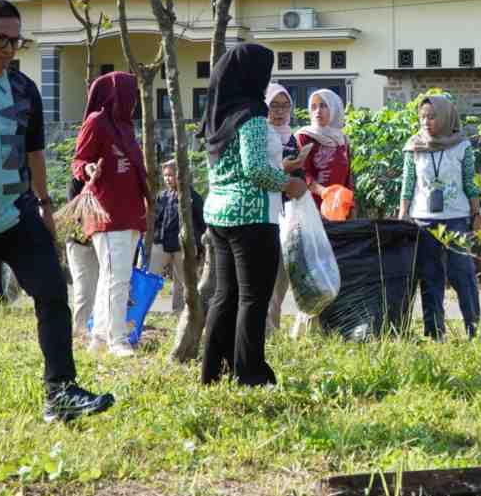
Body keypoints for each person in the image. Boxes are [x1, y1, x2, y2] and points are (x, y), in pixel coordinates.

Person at [0, 0, 113, 423]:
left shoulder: (23, 89)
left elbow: (34, 152)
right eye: (2, 40)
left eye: (18, 41)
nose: (11, 49)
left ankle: (61, 392)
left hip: (17, 214)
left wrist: (46, 205)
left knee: (53, 294)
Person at [198, 43, 307, 386]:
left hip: (219, 215)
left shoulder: (218, 116)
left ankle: (213, 371)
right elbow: (257, 171)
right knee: (253, 299)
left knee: (224, 296)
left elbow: (233, 167)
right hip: (251, 218)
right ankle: (251, 374)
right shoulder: (253, 117)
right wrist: (290, 183)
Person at [72, 71, 149, 358]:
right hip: (106, 212)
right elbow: (79, 159)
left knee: (115, 275)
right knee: (116, 276)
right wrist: (88, 169)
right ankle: (118, 339)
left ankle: (100, 336)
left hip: (130, 212)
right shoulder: (97, 122)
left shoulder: (126, 127)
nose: (135, 100)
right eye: (131, 93)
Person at [398, 95, 481, 339]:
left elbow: (469, 183)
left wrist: (476, 213)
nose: (426, 121)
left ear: (445, 117)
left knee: (463, 274)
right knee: (430, 277)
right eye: (423, 116)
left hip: (456, 219)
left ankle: (473, 330)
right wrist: (403, 215)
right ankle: (435, 332)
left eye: (432, 116)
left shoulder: (462, 146)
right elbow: (408, 185)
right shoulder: (413, 145)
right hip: (422, 220)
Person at [263, 83, 307, 333]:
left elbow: (298, 178)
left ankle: (273, 329)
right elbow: (263, 173)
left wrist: (298, 166)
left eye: (284, 106)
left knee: (281, 277)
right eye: (274, 105)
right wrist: (284, 170)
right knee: (265, 276)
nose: (279, 111)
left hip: (287, 215)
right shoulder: (261, 135)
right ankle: (265, 330)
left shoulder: (291, 138)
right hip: (265, 213)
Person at [150, 160, 206, 314]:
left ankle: (179, 312)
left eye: (171, 175)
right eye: (166, 175)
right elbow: (156, 220)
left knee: (182, 282)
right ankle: (143, 309)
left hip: (183, 246)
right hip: (162, 243)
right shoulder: (162, 196)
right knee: (150, 276)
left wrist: (200, 248)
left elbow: (201, 224)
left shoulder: (193, 197)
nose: (168, 179)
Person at [296, 89, 353, 213]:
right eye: (314, 106)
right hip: (312, 207)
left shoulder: (343, 140)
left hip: (338, 207)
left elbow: (348, 178)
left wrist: (350, 207)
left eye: (323, 106)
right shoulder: (305, 136)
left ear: (334, 109)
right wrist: (324, 192)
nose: (318, 111)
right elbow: (302, 172)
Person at [64, 176, 100, 336]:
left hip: (100, 240)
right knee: (84, 288)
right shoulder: (77, 182)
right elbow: (76, 212)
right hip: (79, 242)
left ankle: (96, 327)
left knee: (100, 287)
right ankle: (80, 330)